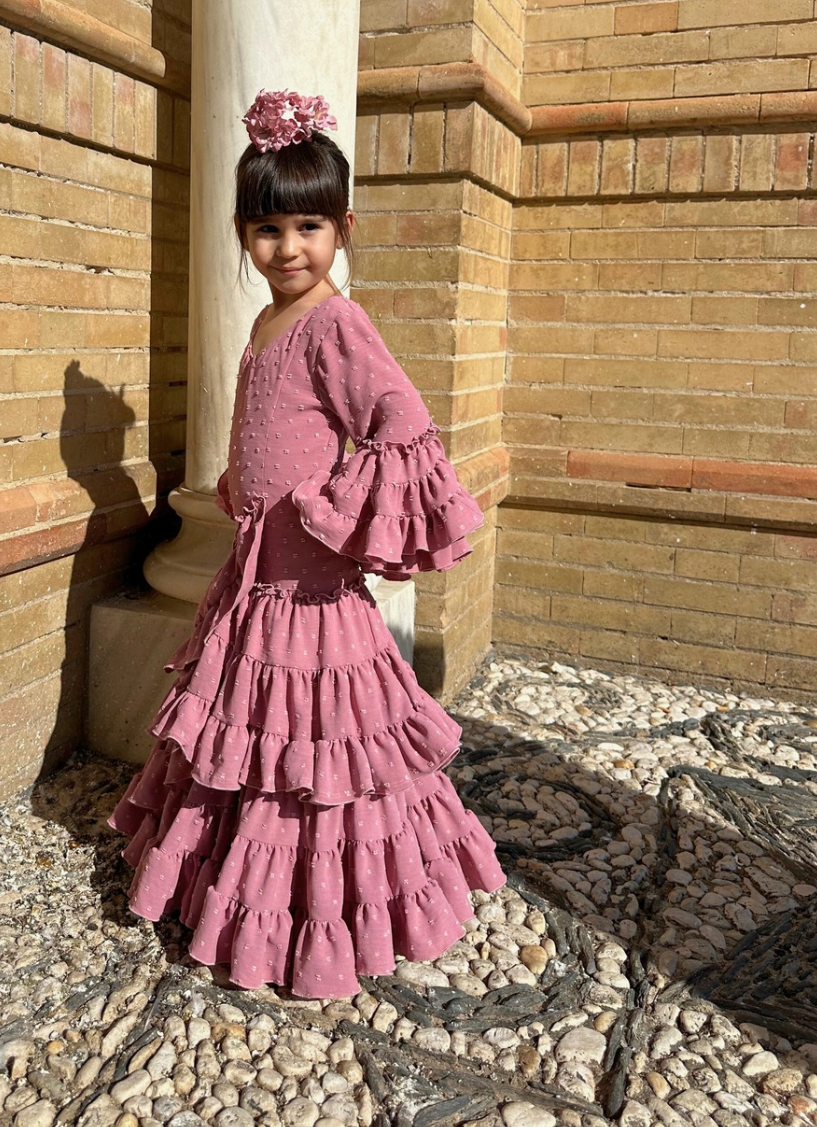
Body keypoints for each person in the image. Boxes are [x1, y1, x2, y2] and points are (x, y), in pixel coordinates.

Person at [107, 89, 506, 999]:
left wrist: (332, 508)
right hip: (257, 577)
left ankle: (321, 916)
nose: (287, 249)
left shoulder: (338, 323)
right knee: (248, 740)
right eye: (266, 230)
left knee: (322, 751)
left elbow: (403, 427)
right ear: (243, 234)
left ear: (343, 229)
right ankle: (228, 884)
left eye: (308, 227)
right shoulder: (265, 322)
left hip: (311, 589)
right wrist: (243, 488)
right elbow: (270, 424)